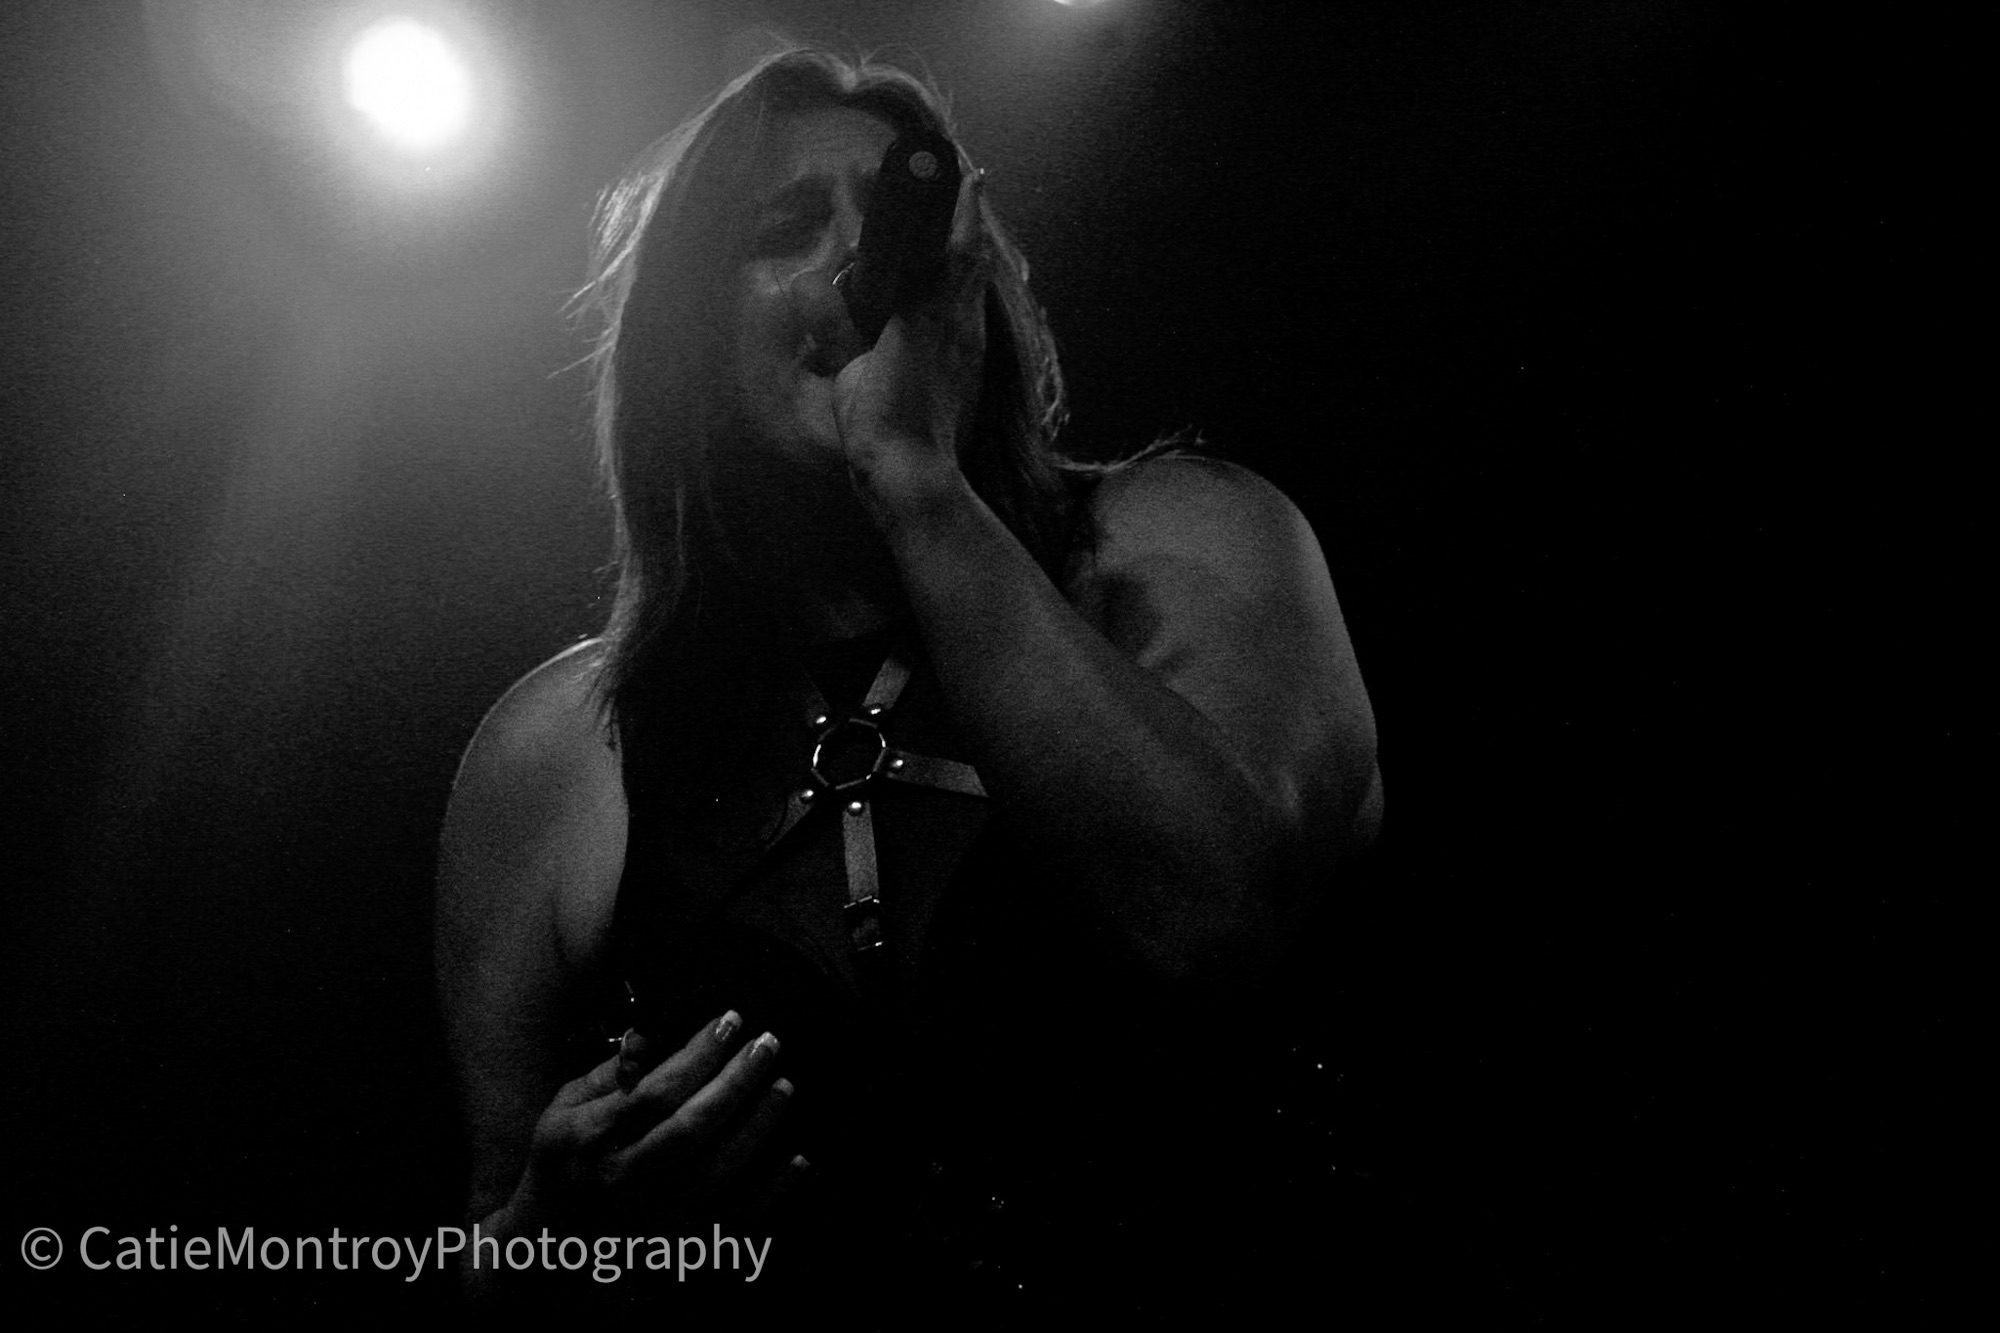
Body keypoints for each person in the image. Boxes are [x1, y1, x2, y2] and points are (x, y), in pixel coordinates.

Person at [435, 47, 1382, 1319]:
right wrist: (575, 1234)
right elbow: (485, 1244)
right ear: (684, 341)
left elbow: (1204, 922)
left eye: (894, 224)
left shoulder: (1180, 539)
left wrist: (914, 478)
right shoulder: (558, 750)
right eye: (787, 228)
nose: (854, 263)